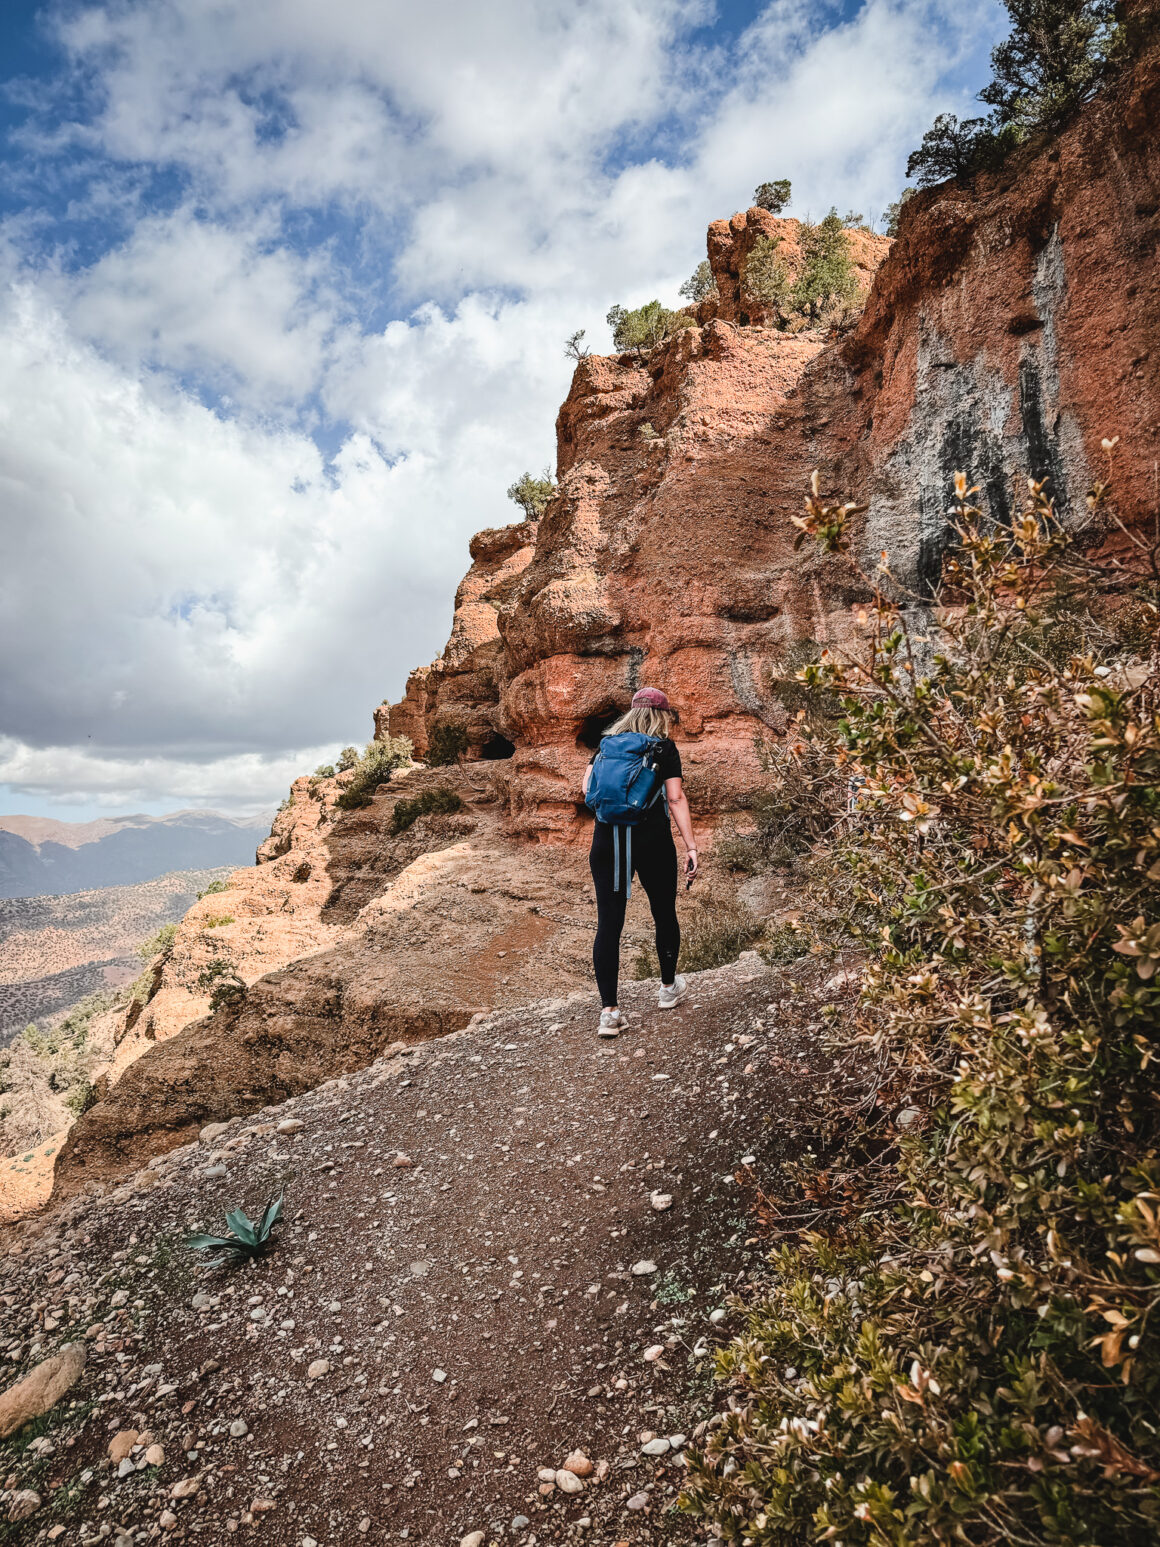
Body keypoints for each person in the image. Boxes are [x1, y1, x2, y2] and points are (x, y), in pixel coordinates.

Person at [581, 687, 699, 1038]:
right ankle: (667, 989)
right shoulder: (664, 748)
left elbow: (587, 788)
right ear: (661, 716)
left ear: (630, 714)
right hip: (652, 841)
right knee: (663, 912)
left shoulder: (605, 746)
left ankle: (609, 1013)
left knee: (609, 924)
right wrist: (691, 847)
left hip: (608, 841)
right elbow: (675, 799)